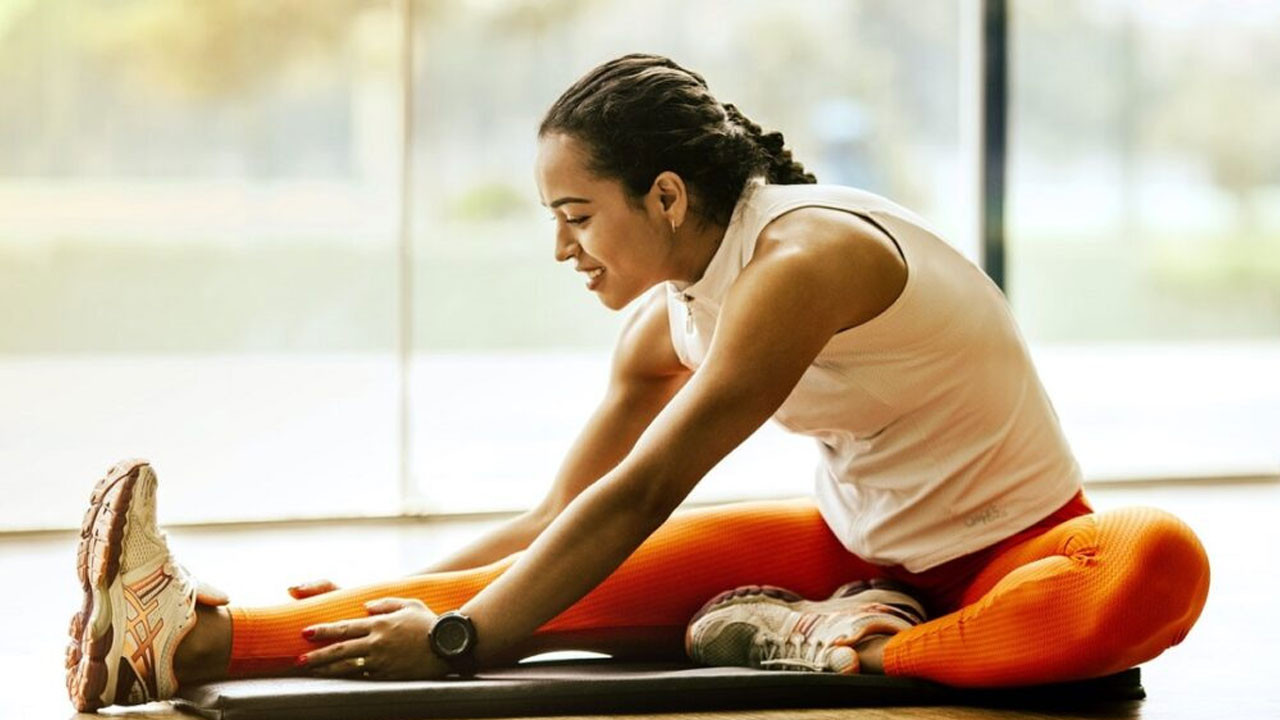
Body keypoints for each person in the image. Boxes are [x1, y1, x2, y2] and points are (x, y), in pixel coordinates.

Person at [65, 53, 1209, 713]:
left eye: (577, 216)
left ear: (664, 196)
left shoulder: (805, 263)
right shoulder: (667, 319)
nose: (563, 249)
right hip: (853, 555)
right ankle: (170, 639)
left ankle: (847, 647)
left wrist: (466, 642)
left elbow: (650, 485)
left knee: (1159, 562)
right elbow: (557, 524)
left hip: (1021, 555)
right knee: (529, 579)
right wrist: (394, 593)